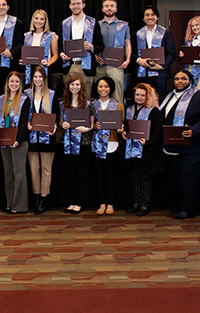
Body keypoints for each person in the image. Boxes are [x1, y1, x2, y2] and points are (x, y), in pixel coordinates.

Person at [160, 70, 200, 219]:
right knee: (180, 178)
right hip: (176, 146)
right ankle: (182, 206)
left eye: (183, 78)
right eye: (177, 78)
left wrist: (194, 130)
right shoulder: (169, 96)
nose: (179, 81)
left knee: (189, 178)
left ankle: (188, 210)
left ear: (191, 81)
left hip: (195, 147)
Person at [123, 83, 163, 217]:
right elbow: (125, 127)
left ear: (147, 96)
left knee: (145, 179)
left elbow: (158, 131)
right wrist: (123, 133)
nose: (139, 97)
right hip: (131, 150)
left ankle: (144, 204)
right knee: (134, 178)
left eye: (142, 95)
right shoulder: (129, 109)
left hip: (146, 151)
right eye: (137, 94)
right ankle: (135, 203)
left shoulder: (153, 111)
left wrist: (148, 142)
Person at [25, 66, 59, 215]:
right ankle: (36, 197)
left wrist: (55, 127)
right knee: (34, 169)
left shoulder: (51, 94)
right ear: (32, 78)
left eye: (40, 77)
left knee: (46, 170)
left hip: (47, 136)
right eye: (35, 77)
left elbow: (56, 115)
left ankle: (44, 199)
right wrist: (26, 124)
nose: (38, 80)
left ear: (44, 79)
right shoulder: (26, 94)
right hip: (32, 137)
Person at [59, 74, 95, 213]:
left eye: (77, 85)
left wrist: (85, 128)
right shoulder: (62, 104)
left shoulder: (87, 104)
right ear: (68, 86)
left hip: (83, 142)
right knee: (69, 173)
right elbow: (60, 122)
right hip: (67, 142)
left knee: (82, 173)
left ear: (81, 87)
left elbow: (91, 124)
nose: (75, 87)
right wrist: (63, 124)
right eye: (72, 84)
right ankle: (71, 201)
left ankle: (81, 201)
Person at [0, 71, 30, 214]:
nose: (14, 84)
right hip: (4, 141)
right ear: (7, 83)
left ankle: (20, 206)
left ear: (20, 84)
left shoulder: (24, 99)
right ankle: (10, 203)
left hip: (19, 142)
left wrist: (18, 139)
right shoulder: (0, 99)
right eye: (12, 81)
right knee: (8, 173)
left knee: (19, 173)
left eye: (17, 82)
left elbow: (23, 122)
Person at [58, 0, 104, 97]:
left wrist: (92, 47)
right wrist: (61, 54)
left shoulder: (92, 23)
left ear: (83, 5)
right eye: (73, 4)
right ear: (70, 6)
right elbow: (59, 46)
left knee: (86, 100)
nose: (76, 6)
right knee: (69, 100)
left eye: (78, 3)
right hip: (69, 67)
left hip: (86, 68)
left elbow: (100, 45)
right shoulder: (64, 24)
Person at [91, 76, 122, 215]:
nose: (103, 89)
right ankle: (102, 203)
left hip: (111, 143)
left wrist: (120, 128)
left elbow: (120, 124)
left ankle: (110, 203)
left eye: (106, 86)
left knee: (110, 175)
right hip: (97, 143)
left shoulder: (117, 105)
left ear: (111, 88)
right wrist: (93, 125)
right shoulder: (92, 105)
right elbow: (89, 123)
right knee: (98, 175)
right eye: (100, 86)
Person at [95, 0, 132, 103]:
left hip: (116, 66)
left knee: (117, 95)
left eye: (112, 6)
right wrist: (95, 56)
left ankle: (119, 119)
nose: (109, 8)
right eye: (106, 6)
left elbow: (128, 44)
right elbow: (93, 45)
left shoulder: (124, 25)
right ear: (102, 9)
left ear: (116, 9)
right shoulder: (96, 25)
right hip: (100, 66)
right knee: (99, 97)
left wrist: (128, 60)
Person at [135, 6, 175, 103]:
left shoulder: (165, 33)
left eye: (153, 14)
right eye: (147, 15)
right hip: (143, 72)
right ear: (143, 18)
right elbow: (133, 53)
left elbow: (171, 53)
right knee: (143, 99)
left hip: (160, 73)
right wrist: (139, 60)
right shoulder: (137, 34)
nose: (150, 17)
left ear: (157, 17)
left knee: (160, 99)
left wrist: (162, 66)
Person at [21, 9, 59, 86]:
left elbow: (55, 55)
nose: (38, 21)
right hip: (30, 70)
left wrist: (47, 63)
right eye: (36, 18)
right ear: (33, 19)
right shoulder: (26, 36)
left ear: (45, 21)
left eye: (42, 19)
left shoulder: (52, 36)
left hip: (45, 69)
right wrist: (23, 61)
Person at [179, 16, 200, 92]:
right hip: (189, 69)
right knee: (187, 93)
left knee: (199, 94)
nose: (195, 27)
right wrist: (182, 55)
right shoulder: (188, 41)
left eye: (197, 25)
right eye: (192, 26)